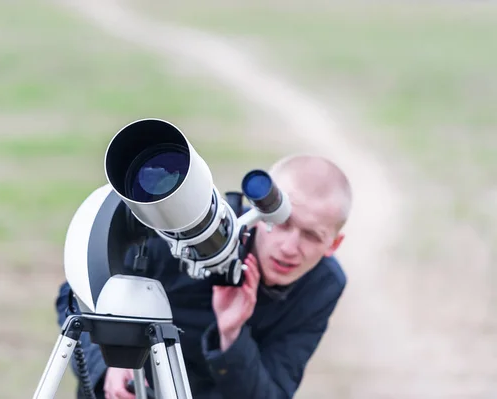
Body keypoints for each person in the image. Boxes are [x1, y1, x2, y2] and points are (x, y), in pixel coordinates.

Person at [55, 154, 352, 399]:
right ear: (258, 210)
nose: (289, 248)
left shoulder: (322, 285)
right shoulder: (183, 233)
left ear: (334, 245)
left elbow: (272, 393)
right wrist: (110, 363)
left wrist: (232, 337)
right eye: (282, 223)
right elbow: (76, 293)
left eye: (312, 235)